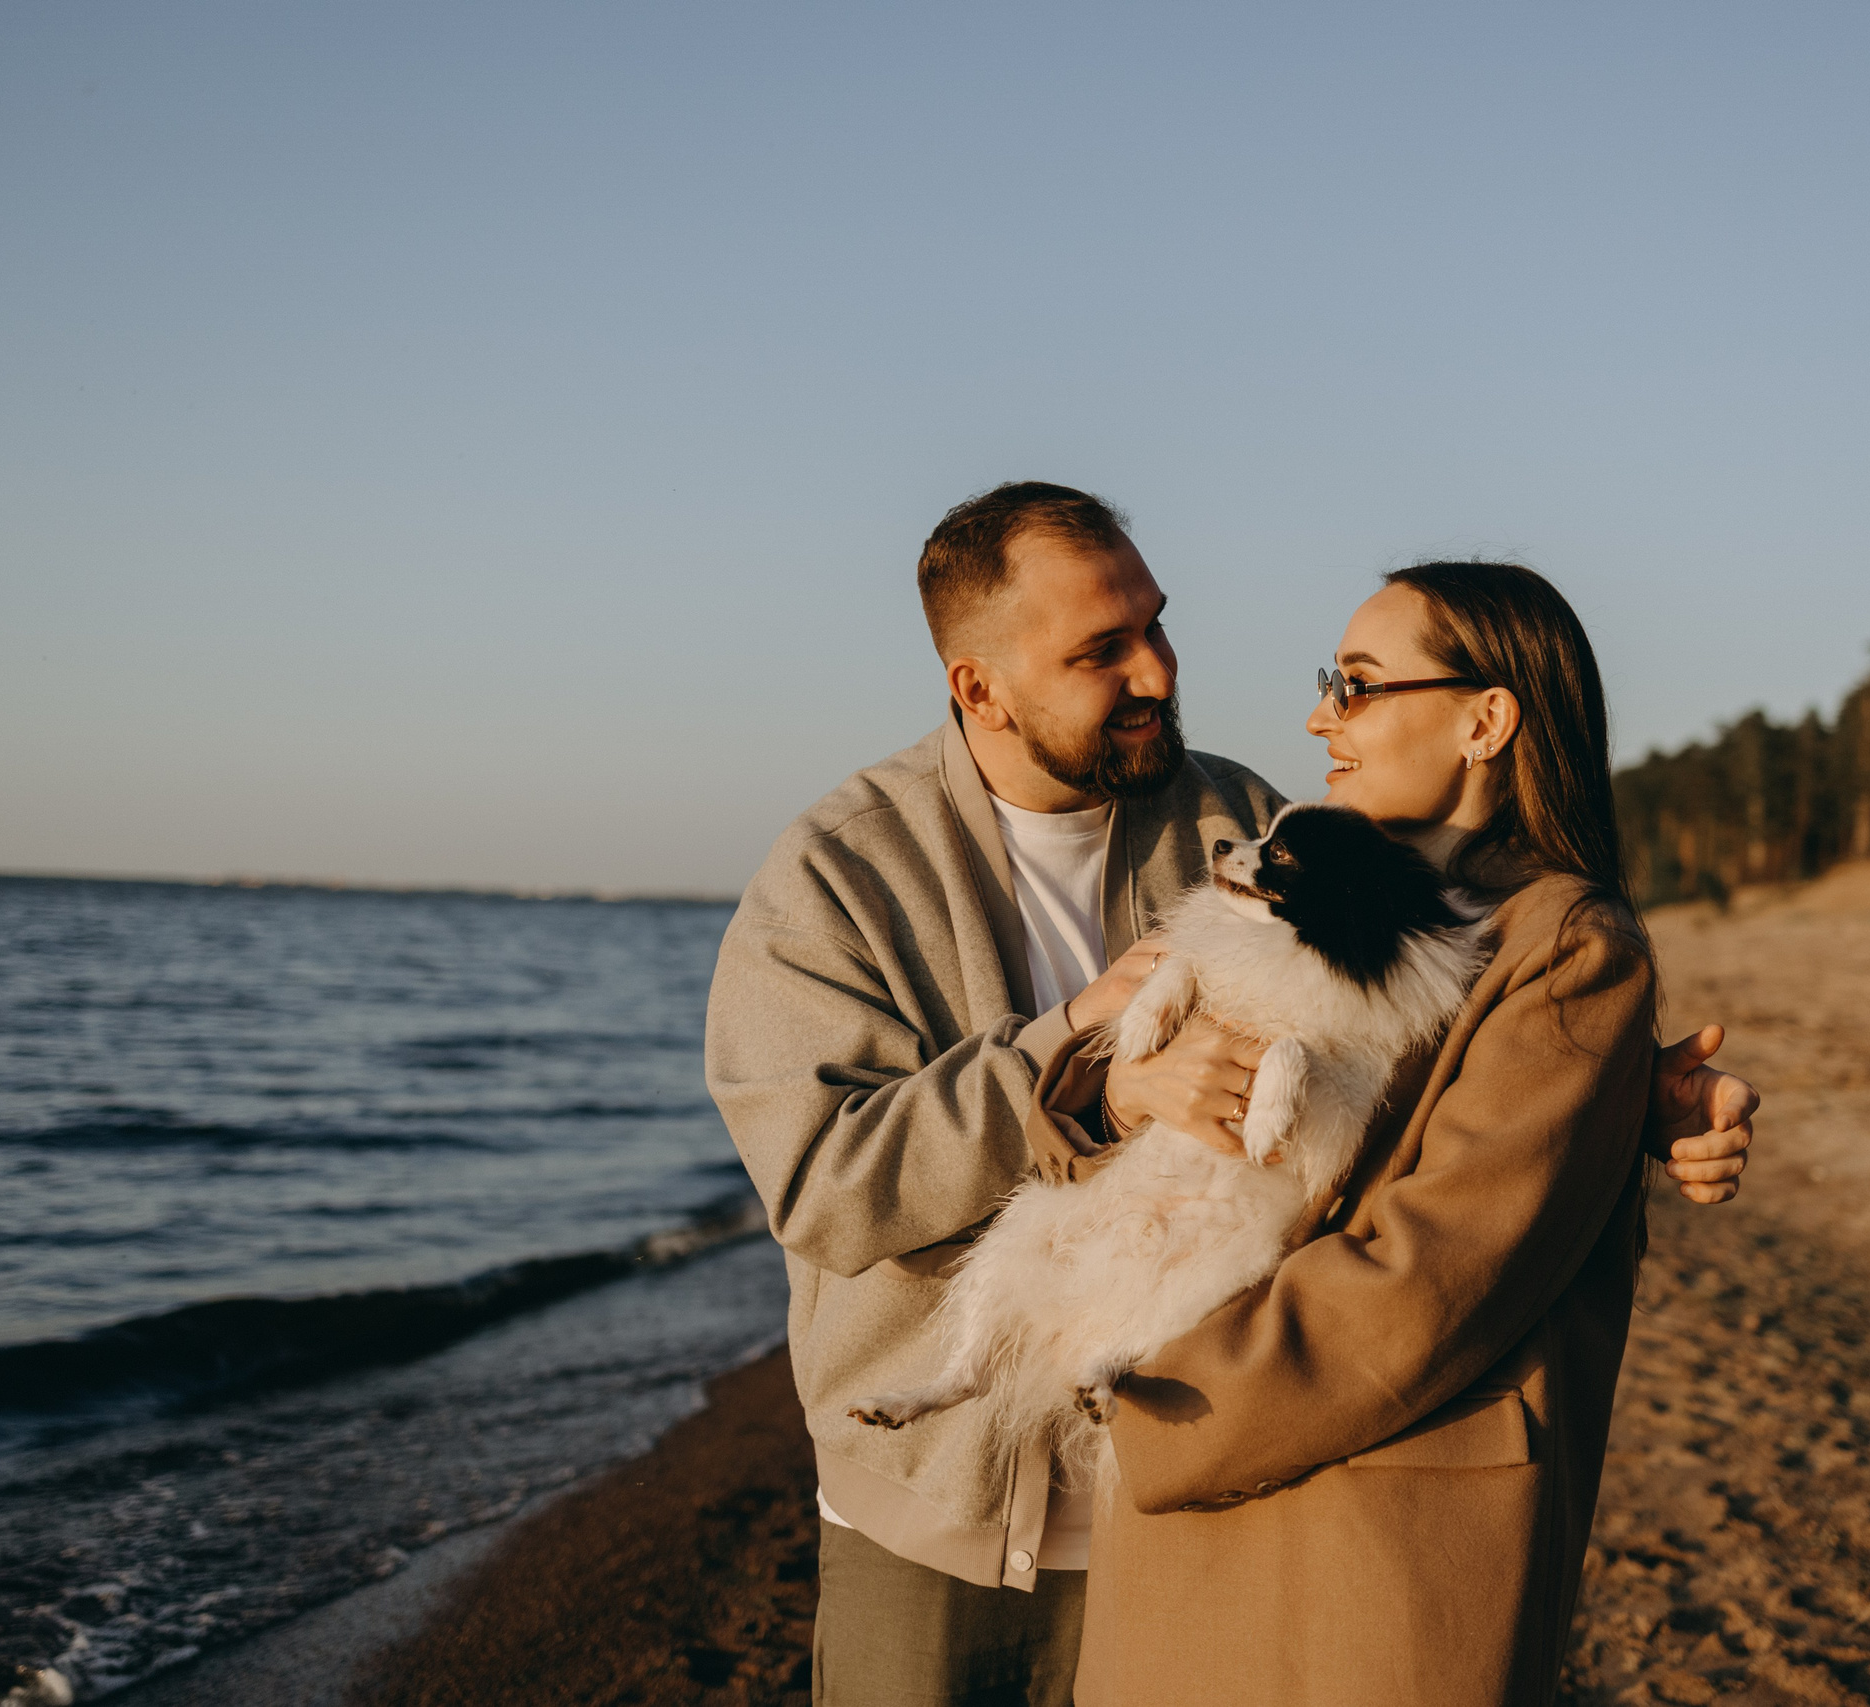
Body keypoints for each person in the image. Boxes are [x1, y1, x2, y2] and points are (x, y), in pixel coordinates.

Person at [706, 486, 1757, 1707]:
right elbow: (822, 1185)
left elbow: (1412, 1059)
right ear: (978, 689)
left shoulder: (1254, 821)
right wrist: (1092, 1086)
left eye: (1155, 624)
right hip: (936, 1521)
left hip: (1203, 1504)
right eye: (1101, 651)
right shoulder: (836, 876)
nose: (1156, 670)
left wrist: (1633, 1108)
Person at [1028, 559, 1681, 1706]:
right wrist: (1121, 1101)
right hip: (1213, 1498)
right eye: (1330, 679)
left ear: (1486, 719)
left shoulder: (1568, 945)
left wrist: (1157, 1403)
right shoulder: (1318, 890)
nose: (1319, 714)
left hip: (1374, 1531)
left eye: (1361, 683)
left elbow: (1430, 1279)